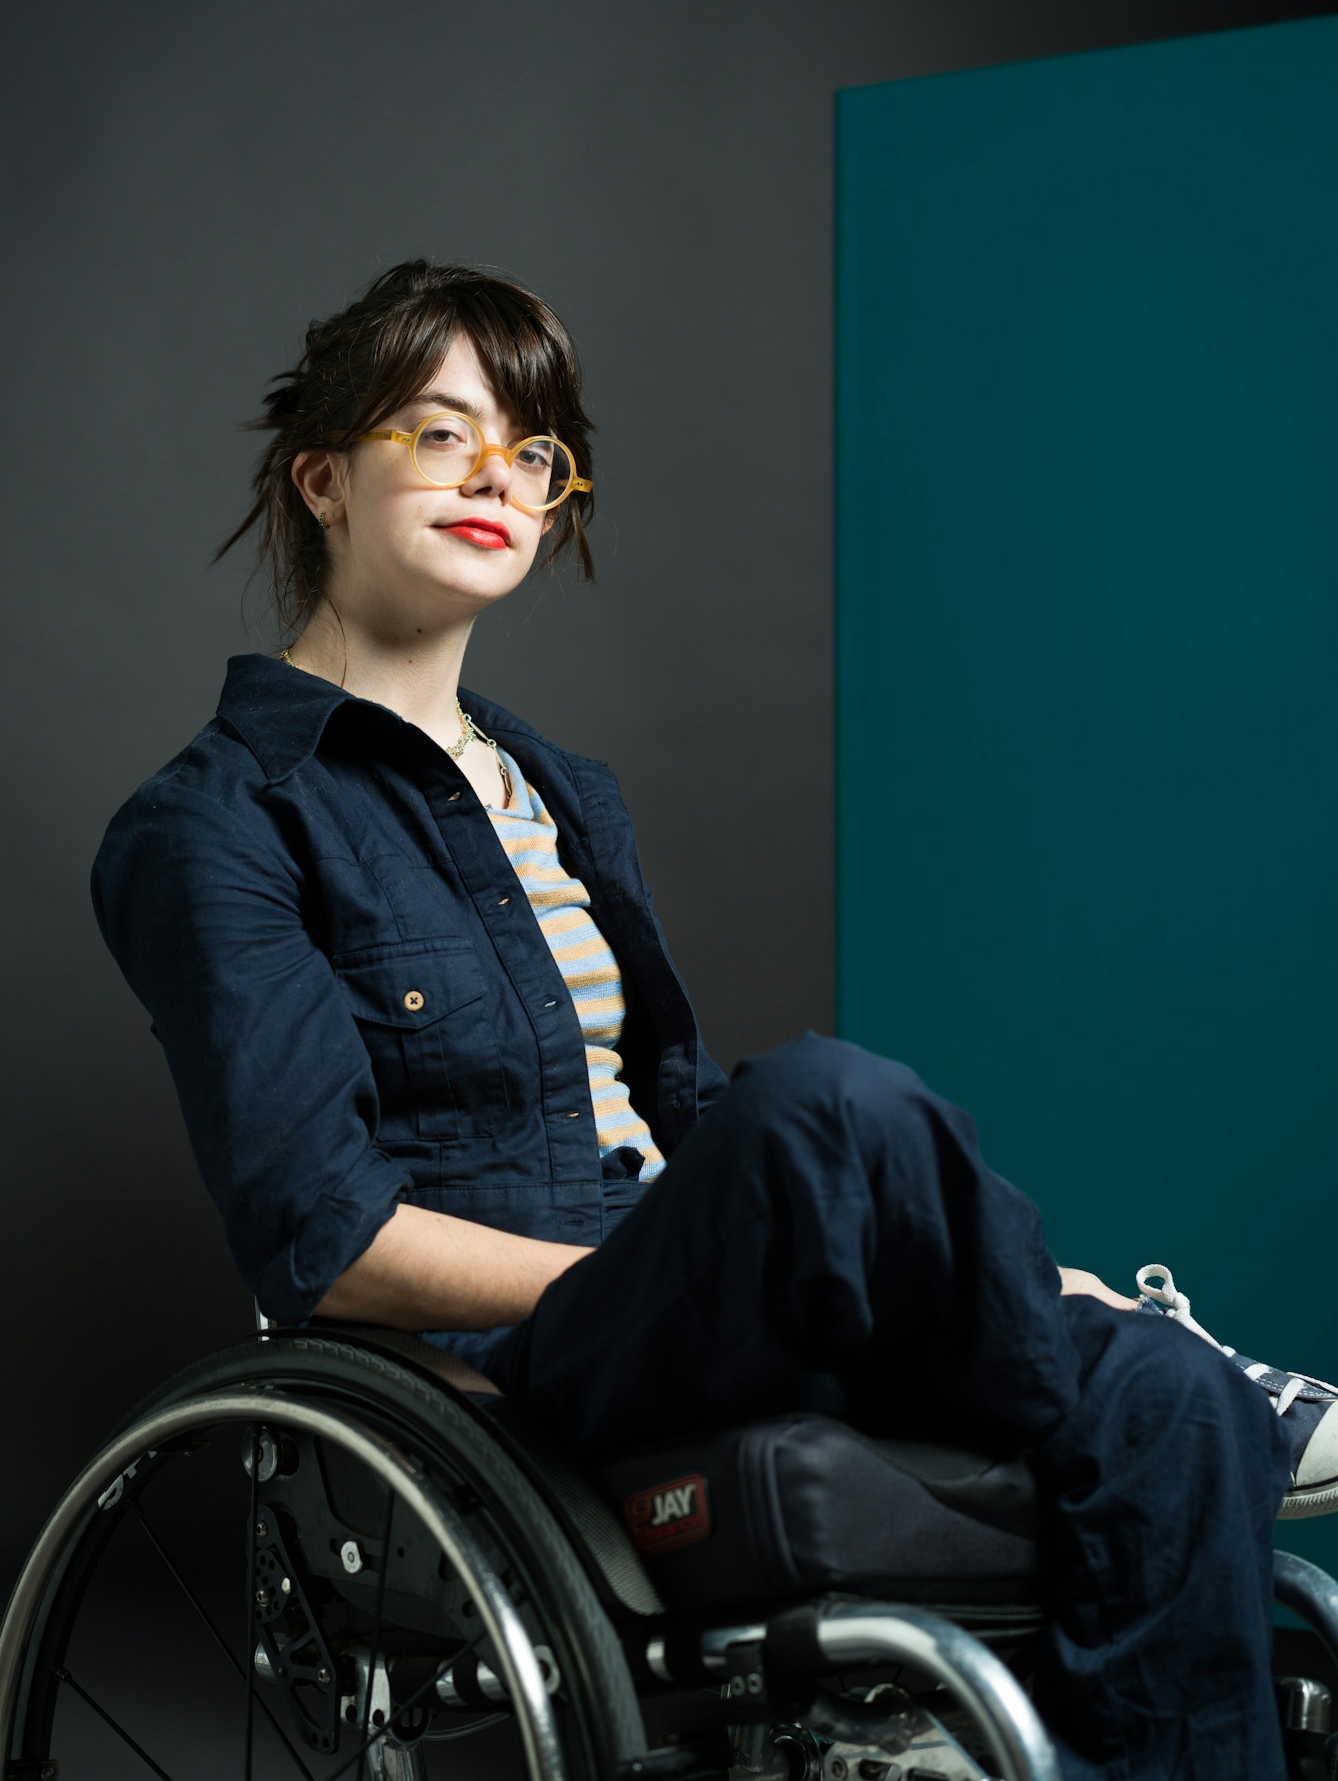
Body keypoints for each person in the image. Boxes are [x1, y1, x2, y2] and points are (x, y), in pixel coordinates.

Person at [92, 259, 1337, 1781]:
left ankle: (1091, 1349)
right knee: (826, 1100)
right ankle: (1054, 1319)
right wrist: (685, 1256)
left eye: (534, 449)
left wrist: (802, 1242)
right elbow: (325, 1238)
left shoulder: (561, 791)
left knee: (1165, 1398)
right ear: (321, 477)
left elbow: (680, 1108)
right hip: (524, 1352)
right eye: (437, 431)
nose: (497, 472)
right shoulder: (213, 823)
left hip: (706, 1289)